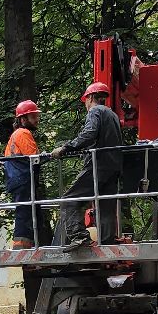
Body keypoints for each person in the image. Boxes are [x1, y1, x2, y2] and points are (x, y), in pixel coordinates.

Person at [48, 82, 127, 248]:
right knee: (105, 206)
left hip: (97, 165)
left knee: (69, 200)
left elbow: (89, 134)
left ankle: (79, 237)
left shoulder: (95, 111)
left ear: (90, 98)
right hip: (113, 167)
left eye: (85, 100)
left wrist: (65, 148)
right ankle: (107, 243)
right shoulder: (112, 114)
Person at [3, 100, 50, 248]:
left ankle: (29, 242)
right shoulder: (23, 133)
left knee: (31, 210)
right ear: (23, 119)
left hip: (18, 178)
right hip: (22, 178)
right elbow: (33, 157)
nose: (37, 119)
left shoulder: (16, 134)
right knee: (25, 210)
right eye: (33, 116)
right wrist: (49, 156)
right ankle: (21, 243)